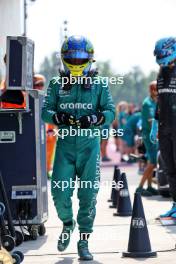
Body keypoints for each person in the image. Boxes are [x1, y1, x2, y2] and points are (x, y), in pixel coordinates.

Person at [41, 35, 115, 260]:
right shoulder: (56, 83)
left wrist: (94, 119)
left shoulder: (100, 84)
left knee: (88, 194)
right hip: (65, 146)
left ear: (90, 59)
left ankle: (84, 241)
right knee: (59, 192)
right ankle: (67, 223)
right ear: (64, 59)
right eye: (70, 58)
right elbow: (45, 112)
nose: (75, 62)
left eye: (79, 58)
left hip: (89, 147)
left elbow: (110, 112)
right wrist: (58, 116)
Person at [153, 37, 176, 218]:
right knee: (169, 168)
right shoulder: (161, 73)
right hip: (164, 127)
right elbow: (159, 101)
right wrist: (155, 124)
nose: (160, 58)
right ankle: (175, 204)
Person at [135, 81, 159, 196]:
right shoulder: (147, 103)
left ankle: (149, 186)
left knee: (151, 161)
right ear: (152, 90)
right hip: (149, 136)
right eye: (156, 89)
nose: (158, 91)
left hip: (153, 135)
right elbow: (151, 121)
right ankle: (140, 188)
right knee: (153, 162)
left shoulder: (156, 101)